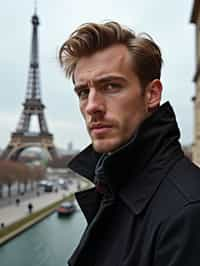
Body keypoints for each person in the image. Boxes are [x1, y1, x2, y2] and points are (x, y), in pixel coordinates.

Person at [59, 21, 200, 266]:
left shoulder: (189, 211)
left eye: (111, 86)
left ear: (152, 94)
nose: (92, 106)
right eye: (83, 92)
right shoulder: (118, 188)